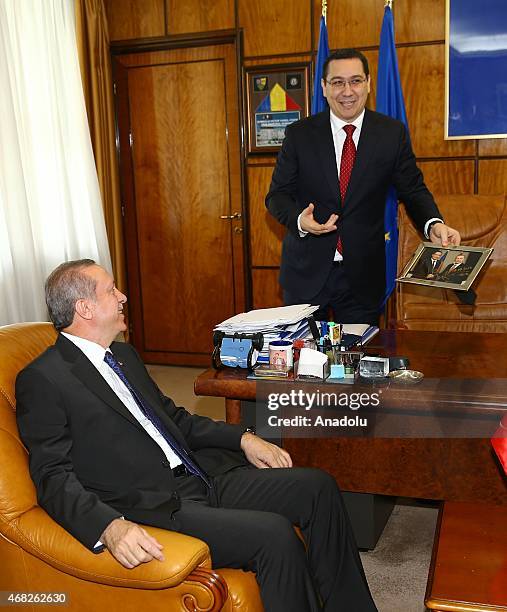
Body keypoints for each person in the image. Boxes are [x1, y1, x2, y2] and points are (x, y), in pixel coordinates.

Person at [16, 259, 377, 612]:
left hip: (201, 477)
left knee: (318, 487)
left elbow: (176, 420)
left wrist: (243, 438)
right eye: (112, 290)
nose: (123, 296)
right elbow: (52, 475)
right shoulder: (45, 378)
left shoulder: (123, 354)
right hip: (155, 504)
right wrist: (108, 526)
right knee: (275, 535)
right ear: (85, 308)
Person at [266, 48, 461, 324]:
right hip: (306, 274)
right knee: (305, 362)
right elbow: (277, 196)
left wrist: (434, 224)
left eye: (355, 81)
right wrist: (299, 220)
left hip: (362, 277)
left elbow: (413, 189)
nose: (347, 91)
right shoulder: (299, 135)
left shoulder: (391, 134)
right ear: (324, 87)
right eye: (337, 82)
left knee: (359, 361)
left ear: (368, 83)